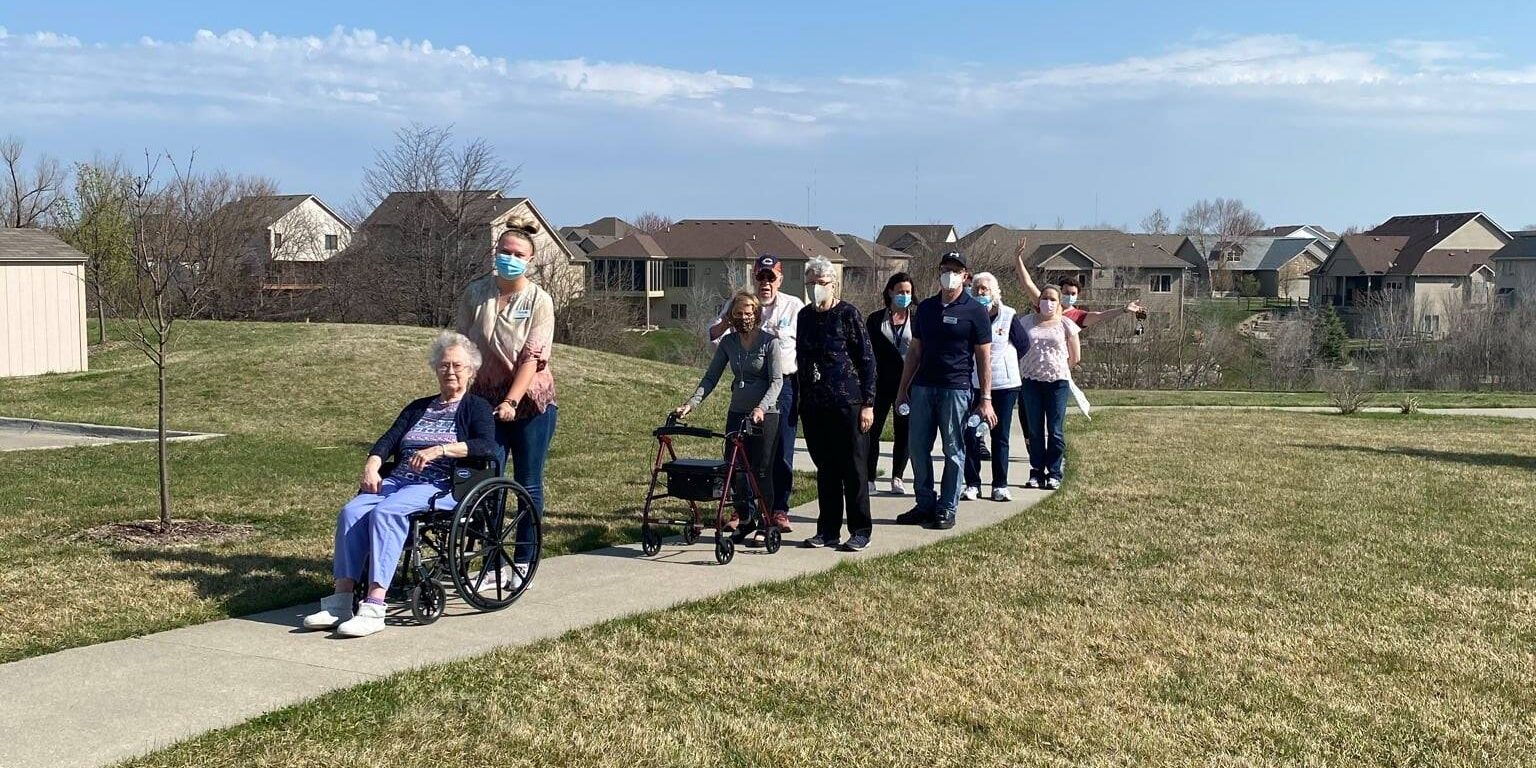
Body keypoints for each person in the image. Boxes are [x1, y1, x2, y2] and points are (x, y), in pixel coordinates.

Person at [303, 332, 497, 638]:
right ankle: (341, 602)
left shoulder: (476, 407)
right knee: (352, 512)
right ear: (435, 369)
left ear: (471, 370)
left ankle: (374, 607)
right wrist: (373, 464)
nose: (450, 371)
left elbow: (486, 446)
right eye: (444, 365)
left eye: (458, 365)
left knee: (387, 513)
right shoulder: (418, 407)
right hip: (399, 481)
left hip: (443, 484)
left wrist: (440, 450)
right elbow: (388, 439)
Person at [455, 218, 558, 584]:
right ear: (495, 253)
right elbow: (462, 345)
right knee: (488, 481)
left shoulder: (539, 300)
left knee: (528, 482)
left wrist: (512, 401)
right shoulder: (475, 293)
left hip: (530, 403)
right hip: (484, 401)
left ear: (530, 260)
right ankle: (489, 559)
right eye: (505, 252)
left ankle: (524, 560)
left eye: (518, 255)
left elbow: (533, 356)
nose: (510, 259)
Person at [895, 251, 997, 530]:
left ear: (965, 276)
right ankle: (925, 502)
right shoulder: (926, 308)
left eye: (955, 270)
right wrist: (903, 389)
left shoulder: (975, 311)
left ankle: (948, 506)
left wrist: (985, 399)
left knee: (953, 450)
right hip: (924, 387)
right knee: (917, 448)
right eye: (944, 269)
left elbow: (984, 357)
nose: (949, 274)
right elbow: (914, 351)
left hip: (956, 389)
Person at [674, 291, 782, 544]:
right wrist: (691, 404)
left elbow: (777, 381)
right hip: (737, 413)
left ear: (756, 314)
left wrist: (761, 408)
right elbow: (711, 377)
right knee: (736, 471)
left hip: (765, 415)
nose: (743, 318)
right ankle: (746, 519)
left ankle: (767, 522)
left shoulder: (770, 342)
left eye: (747, 314)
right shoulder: (729, 343)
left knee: (761, 471)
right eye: (738, 314)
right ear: (731, 317)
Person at [710, 254, 803, 533]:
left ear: (779, 279)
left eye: (770, 277)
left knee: (779, 452)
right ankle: (744, 511)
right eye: (760, 277)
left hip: (783, 385)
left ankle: (778, 511)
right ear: (754, 278)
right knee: (742, 454)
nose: (765, 282)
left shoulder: (793, 306)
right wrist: (730, 320)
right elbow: (713, 336)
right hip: (748, 387)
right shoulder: (739, 304)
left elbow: (808, 344)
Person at [795, 257, 877, 551]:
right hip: (816, 405)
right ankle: (827, 530)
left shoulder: (848, 314)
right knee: (826, 469)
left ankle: (860, 530)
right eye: (811, 283)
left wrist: (868, 403)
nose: (816, 288)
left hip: (848, 401)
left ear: (833, 284)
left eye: (821, 283)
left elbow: (866, 360)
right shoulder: (804, 316)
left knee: (853, 468)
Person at [961, 272, 1028, 502]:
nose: (981, 292)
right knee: (970, 432)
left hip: (1004, 385)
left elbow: (1023, 344)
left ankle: (1000, 485)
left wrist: (1002, 361)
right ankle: (972, 483)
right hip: (974, 384)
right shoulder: (968, 314)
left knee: (1000, 435)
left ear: (994, 292)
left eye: (985, 289)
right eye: (977, 288)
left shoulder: (1008, 315)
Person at [1018, 284, 1081, 490]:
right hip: (1030, 381)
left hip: (1057, 383)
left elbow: (1076, 356)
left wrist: (1060, 369)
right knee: (1035, 429)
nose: (1048, 302)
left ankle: (1054, 471)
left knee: (1055, 430)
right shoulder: (1026, 322)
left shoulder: (1066, 324)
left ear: (1059, 302)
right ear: (1038, 301)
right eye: (1045, 298)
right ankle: (1036, 471)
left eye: (1053, 299)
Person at [1012, 235, 1142, 328]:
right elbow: (1027, 283)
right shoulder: (1045, 304)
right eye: (1067, 292)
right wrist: (1017, 258)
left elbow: (1100, 315)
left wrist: (1124, 309)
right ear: (1059, 292)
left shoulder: (1078, 316)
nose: (1069, 296)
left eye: (1073, 294)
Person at [866, 273, 914, 496]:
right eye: (900, 291)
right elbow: (868, 352)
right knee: (872, 431)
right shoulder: (876, 320)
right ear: (890, 292)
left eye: (908, 292)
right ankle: (869, 478)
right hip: (880, 384)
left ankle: (898, 477)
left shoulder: (917, 318)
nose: (904, 296)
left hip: (907, 384)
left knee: (902, 431)